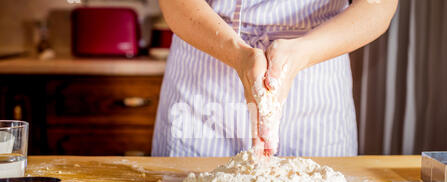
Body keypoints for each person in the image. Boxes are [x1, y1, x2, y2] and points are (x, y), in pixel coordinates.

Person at [152, 0, 398, 157]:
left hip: (316, 72)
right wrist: (236, 54)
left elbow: (377, 6)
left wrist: (303, 53)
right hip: (205, 67)